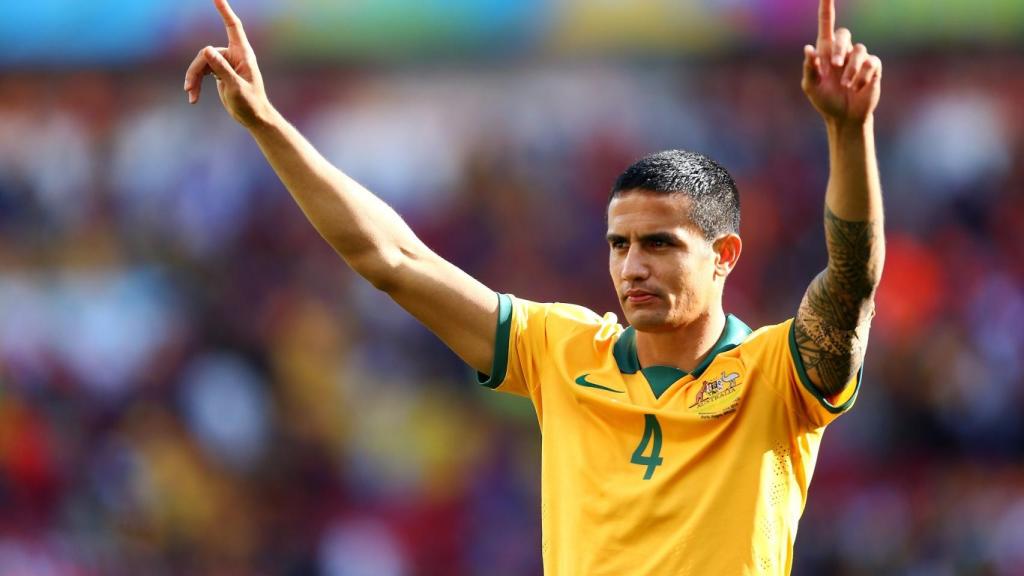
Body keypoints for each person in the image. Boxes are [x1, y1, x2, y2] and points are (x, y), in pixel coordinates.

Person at [184, 0, 884, 573]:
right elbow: (392, 260)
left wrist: (848, 134)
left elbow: (851, 282)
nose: (632, 266)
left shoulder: (776, 375)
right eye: (620, 244)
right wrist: (268, 124)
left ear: (725, 254)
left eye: (660, 244)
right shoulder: (560, 350)